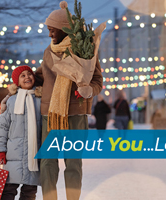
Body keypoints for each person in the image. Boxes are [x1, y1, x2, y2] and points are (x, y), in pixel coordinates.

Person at [35, 1, 103, 200]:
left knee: (73, 161)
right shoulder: (49, 52)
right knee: (47, 161)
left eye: (52, 30)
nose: (49, 35)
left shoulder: (86, 50)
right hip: (51, 114)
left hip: (75, 115)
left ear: (65, 30)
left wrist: (88, 90)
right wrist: (22, 78)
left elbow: (97, 80)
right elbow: (41, 77)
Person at [0, 65, 42, 200]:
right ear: (17, 82)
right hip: (13, 155)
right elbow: (2, 126)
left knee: (29, 192)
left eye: (29, 74)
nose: (27, 77)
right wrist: (0, 150)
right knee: (7, 191)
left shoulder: (41, 100)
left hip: (34, 155)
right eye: (23, 75)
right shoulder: (11, 101)